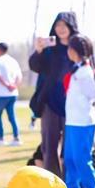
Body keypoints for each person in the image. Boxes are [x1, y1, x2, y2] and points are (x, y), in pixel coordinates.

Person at [29, 12, 79, 178]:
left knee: (70, 147)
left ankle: (71, 184)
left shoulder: (79, 45)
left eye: (65, 25)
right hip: (50, 102)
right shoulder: (49, 48)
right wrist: (39, 51)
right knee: (49, 147)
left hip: (72, 103)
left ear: (71, 27)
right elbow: (35, 66)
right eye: (58, 25)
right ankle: (53, 184)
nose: (61, 29)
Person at [63, 35, 95, 188]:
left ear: (77, 51)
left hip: (83, 122)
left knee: (81, 159)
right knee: (70, 158)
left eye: (71, 48)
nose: (68, 51)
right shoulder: (76, 70)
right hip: (72, 121)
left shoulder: (85, 72)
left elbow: (94, 94)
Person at [0, 42, 22, 147]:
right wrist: (14, 86)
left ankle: (1, 138)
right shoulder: (13, 61)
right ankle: (16, 138)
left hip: (1, 94)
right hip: (13, 93)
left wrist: (7, 85)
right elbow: (19, 76)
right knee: (12, 116)